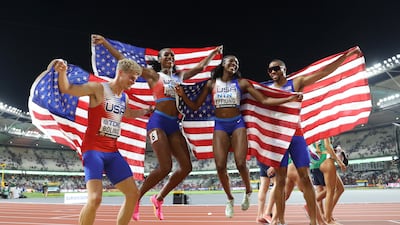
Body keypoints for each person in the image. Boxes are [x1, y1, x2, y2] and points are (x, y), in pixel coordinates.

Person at [92, 34, 223, 221]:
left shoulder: (180, 77)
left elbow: (201, 67)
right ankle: (136, 198)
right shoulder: (154, 75)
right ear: (159, 60)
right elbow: (125, 61)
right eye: (166, 55)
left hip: (173, 124)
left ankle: (158, 198)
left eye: (171, 56)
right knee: (165, 166)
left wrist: (213, 53)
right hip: (158, 122)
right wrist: (105, 44)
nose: (169, 57)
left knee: (186, 167)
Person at [176, 54, 302, 218]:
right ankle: (229, 199)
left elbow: (264, 100)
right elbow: (194, 106)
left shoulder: (242, 83)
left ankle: (248, 190)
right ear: (223, 64)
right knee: (220, 166)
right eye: (231, 62)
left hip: (237, 124)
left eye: (236, 63)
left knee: (241, 163)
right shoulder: (212, 83)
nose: (234, 64)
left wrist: (290, 98)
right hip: (220, 125)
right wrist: (181, 94)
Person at [265, 47, 361, 225]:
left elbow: (323, 72)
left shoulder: (296, 82)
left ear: (284, 69)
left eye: (276, 68)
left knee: (305, 178)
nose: (273, 71)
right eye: (270, 69)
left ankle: (313, 221)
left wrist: (346, 56)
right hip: (278, 138)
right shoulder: (266, 88)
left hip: (295, 134)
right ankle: (280, 220)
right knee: (279, 181)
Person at [54, 58, 149, 225]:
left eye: (136, 78)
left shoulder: (124, 97)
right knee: (95, 198)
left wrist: (146, 110)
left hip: (112, 151)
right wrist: (62, 72)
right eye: (132, 77)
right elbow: (67, 88)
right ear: (120, 73)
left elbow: (127, 114)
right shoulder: (98, 89)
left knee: (133, 194)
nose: (134, 82)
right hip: (93, 150)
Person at [313, 138, 347, 225]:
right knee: (330, 191)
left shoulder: (314, 129)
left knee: (340, 188)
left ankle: (327, 215)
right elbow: (328, 146)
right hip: (326, 160)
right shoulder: (325, 129)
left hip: (316, 162)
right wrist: (339, 162)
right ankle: (328, 219)